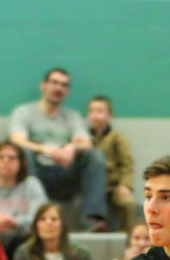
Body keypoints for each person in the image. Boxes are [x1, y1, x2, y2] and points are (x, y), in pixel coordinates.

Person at [9, 68, 109, 232]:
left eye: (63, 85)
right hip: (36, 173)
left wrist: (71, 147)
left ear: (67, 91)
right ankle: (35, 217)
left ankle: (93, 219)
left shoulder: (72, 117)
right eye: (54, 83)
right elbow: (17, 140)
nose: (58, 88)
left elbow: (86, 144)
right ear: (43, 86)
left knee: (94, 155)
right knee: (23, 154)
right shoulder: (24, 112)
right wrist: (45, 149)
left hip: (65, 174)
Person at [12, 202, 95, 260]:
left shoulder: (80, 255)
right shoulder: (24, 255)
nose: (48, 223)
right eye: (42, 219)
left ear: (63, 225)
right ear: (36, 225)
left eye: (54, 219)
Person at [87, 96, 135, 230]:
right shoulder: (83, 138)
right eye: (91, 111)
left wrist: (125, 185)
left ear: (110, 115)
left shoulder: (117, 138)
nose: (95, 115)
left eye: (100, 111)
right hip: (90, 189)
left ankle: (130, 240)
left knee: (128, 203)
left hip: (112, 187)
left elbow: (127, 164)